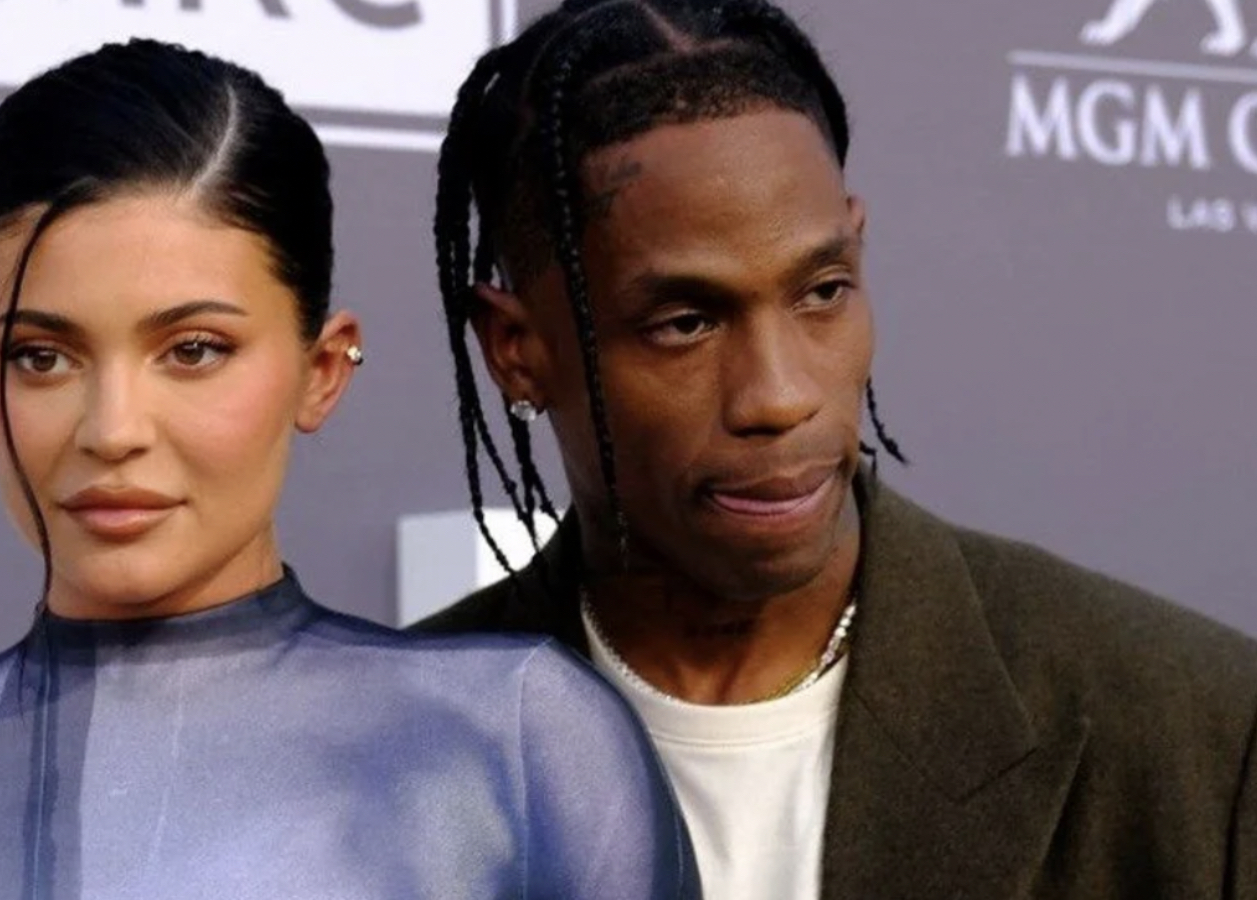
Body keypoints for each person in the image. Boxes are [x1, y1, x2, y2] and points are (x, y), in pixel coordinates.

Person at [0, 39, 697, 900]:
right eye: (41, 357)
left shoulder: (518, 743)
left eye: (192, 350)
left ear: (322, 370)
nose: (113, 430)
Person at [415, 1, 1257, 898]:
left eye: (822, 291)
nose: (781, 396)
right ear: (518, 350)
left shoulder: (1195, 730)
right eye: (686, 322)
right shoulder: (402, 748)